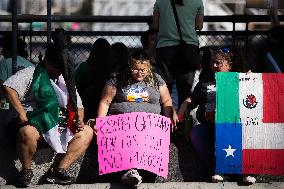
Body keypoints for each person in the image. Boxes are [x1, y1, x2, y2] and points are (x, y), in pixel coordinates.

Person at [2, 29, 93, 187]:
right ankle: (26, 170)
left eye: (61, 69)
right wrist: (22, 115)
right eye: (56, 68)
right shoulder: (31, 73)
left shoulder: (66, 79)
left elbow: (78, 104)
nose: (58, 72)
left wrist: (79, 120)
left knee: (87, 132)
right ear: (46, 62)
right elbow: (9, 87)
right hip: (34, 119)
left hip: (59, 121)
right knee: (27, 132)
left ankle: (59, 170)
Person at [97, 50, 178, 187]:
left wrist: (170, 115)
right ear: (129, 66)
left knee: (143, 135)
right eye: (135, 69)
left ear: (148, 67)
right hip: (121, 124)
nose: (139, 73)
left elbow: (166, 101)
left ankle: (139, 172)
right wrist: (100, 123)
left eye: (143, 69)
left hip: (150, 124)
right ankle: (130, 172)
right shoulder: (117, 79)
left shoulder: (157, 79)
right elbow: (105, 102)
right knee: (129, 135)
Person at [178, 49, 256, 184]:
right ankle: (220, 169)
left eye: (218, 63)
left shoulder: (238, 79)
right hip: (209, 124)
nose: (213, 66)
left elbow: (253, 99)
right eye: (212, 62)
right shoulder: (205, 82)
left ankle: (244, 170)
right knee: (196, 134)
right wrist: (185, 104)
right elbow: (192, 98)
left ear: (228, 66)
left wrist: (251, 81)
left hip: (233, 124)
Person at [152, 0, 204, 108]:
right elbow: (199, 26)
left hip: (165, 49)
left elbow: (155, 26)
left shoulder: (160, 2)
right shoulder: (197, 2)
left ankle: (165, 121)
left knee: (164, 89)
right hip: (188, 49)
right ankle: (183, 122)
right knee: (185, 91)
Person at [75, 38, 112, 122]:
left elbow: (77, 87)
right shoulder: (112, 69)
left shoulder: (84, 67)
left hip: (86, 104)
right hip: (107, 106)